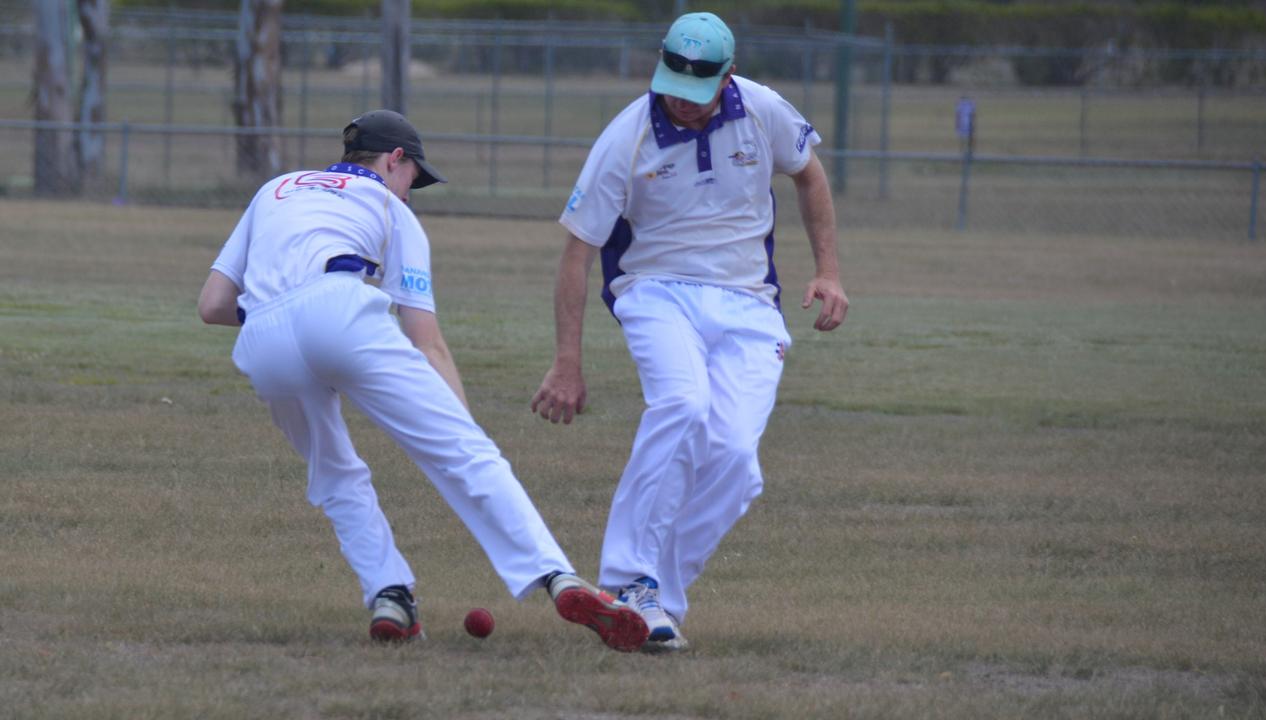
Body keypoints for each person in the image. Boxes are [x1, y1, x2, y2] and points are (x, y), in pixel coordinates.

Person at [197, 109, 648, 651]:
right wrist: (463, 426)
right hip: (337, 307)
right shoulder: (392, 208)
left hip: (262, 338)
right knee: (465, 452)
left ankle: (390, 596)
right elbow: (425, 339)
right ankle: (559, 578)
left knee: (335, 473)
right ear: (395, 160)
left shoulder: (277, 189)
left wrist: (285, 317)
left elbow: (213, 305)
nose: (412, 191)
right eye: (415, 177)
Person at [530, 13, 848, 652]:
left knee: (735, 459)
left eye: (698, 90)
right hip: (656, 290)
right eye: (673, 83)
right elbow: (577, 253)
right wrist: (568, 361)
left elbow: (809, 173)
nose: (682, 100)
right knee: (681, 404)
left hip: (750, 304)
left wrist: (829, 271)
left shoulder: (761, 109)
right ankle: (627, 581)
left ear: (728, 76)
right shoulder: (627, 134)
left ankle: (655, 605)